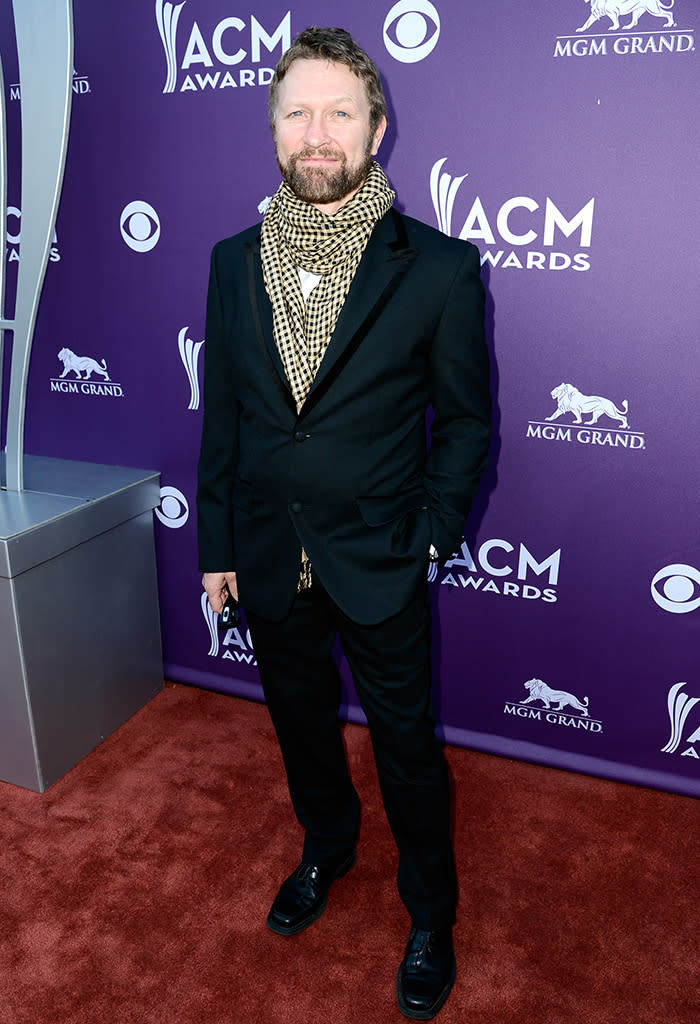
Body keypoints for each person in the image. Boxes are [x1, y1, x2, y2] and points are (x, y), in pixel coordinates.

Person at [197, 26, 490, 1021]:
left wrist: (434, 533)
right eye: (295, 112)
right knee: (300, 728)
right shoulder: (232, 261)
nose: (314, 134)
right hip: (271, 554)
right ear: (272, 126)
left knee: (407, 746)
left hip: (381, 557)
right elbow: (226, 416)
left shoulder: (440, 268)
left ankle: (430, 911)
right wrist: (218, 548)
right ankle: (325, 847)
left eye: (337, 113)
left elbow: (467, 422)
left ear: (376, 127)